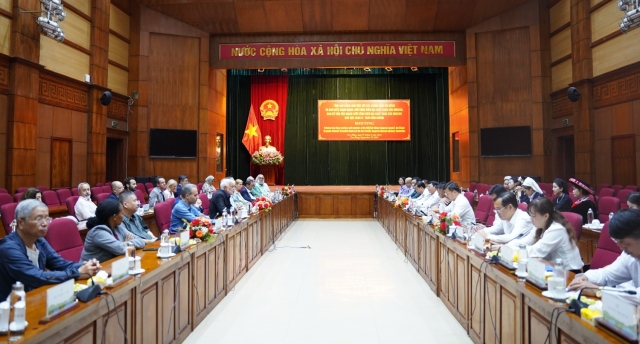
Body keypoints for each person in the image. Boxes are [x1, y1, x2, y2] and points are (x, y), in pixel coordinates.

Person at [0, 200, 101, 301]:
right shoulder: (8, 248)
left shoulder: (39, 241)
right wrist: (77, 273)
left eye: (47, 218)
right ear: (21, 223)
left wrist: (87, 266)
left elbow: (60, 264)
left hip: (34, 297)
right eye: (38, 219)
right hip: (10, 307)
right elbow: (36, 276)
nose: (45, 223)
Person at [568, 209, 640, 297]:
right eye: (618, 243)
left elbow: (636, 297)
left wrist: (599, 291)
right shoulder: (630, 255)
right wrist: (586, 277)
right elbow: (608, 274)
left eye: (625, 244)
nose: (621, 248)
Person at [507, 198, 583, 271]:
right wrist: (506, 246)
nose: (531, 219)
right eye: (530, 215)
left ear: (546, 216)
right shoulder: (540, 225)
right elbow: (525, 241)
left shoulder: (556, 229)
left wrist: (511, 250)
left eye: (533, 216)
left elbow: (535, 252)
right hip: (551, 267)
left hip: (568, 272)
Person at [80, 198, 145, 262]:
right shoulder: (98, 232)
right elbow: (121, 249)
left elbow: (140, 241)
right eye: (122, 214)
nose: (123, 216)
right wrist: (124, 244)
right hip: (92, 270)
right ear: (114, 217)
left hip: (112, 265)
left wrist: (125, 244)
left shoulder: (117, 227)